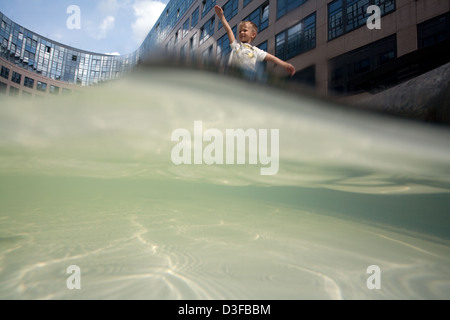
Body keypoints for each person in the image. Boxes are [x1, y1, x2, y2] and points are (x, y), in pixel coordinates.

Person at [214, 5, 296, 78]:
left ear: (253, 35)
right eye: (240, 31)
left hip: (247, 80)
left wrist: (284, 64)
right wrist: (221, 16)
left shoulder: (255, 51)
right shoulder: (236, 46)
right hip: (233, 77)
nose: (241, 32)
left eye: (245, 30)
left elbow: (271, 58)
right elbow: (229, 31)